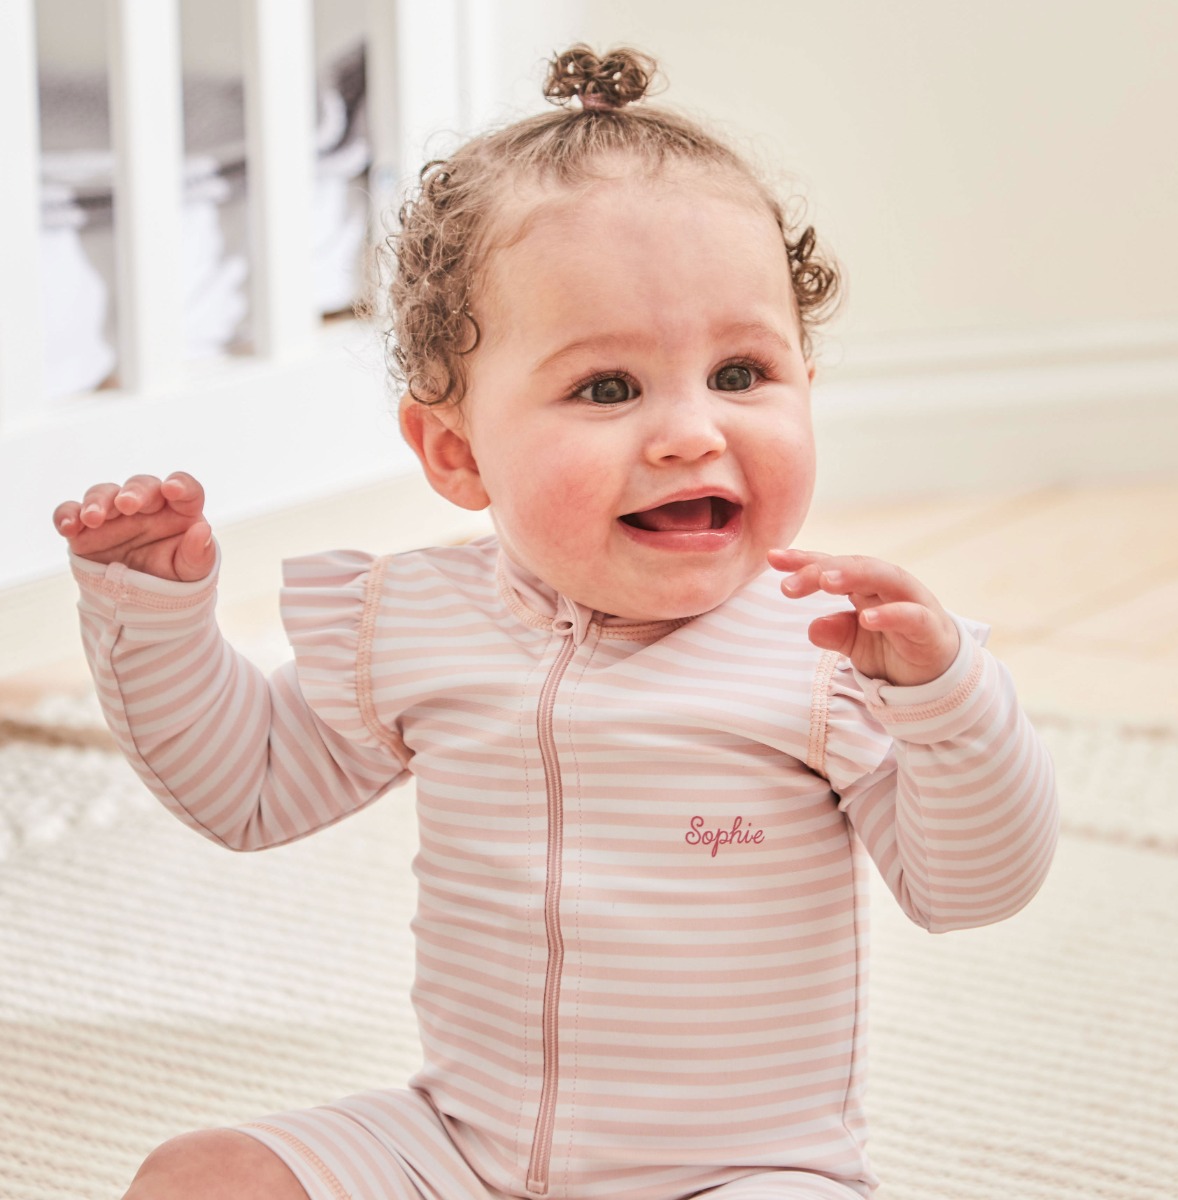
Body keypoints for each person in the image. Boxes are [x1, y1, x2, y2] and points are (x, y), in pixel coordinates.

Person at [53, 45, 1057, 1200]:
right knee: (199, 1176)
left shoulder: (823, 651)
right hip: (460, 1153)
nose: (690, 433)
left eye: (739, 374)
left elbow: (972, 886)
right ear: (456, 451)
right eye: (607, 388)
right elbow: (252, 789)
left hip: (737, 1173)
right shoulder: (414, 618)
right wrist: (156, 615)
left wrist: (947, 701)